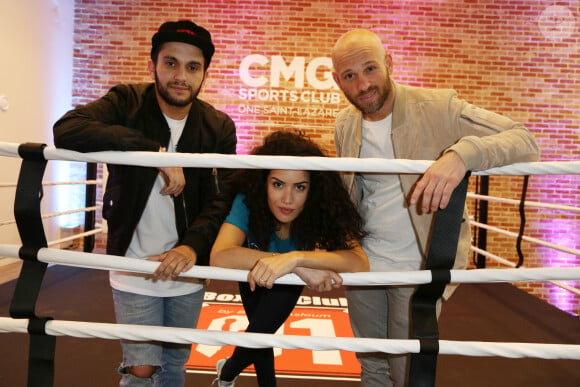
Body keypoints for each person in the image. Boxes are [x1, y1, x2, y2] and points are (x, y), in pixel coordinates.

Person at [331, 29, 540, 387]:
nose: (363, 84)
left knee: (407, 373)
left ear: (389, 64)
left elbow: (525, 140)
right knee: (371, 365)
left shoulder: (439, 107)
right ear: (337, 81)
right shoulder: (345, 124)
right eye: (350, 76)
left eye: (370, 69)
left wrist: (462, 154)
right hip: (365, 264)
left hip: (416, 269)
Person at [53, 20, 237, 386]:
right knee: (141, 369)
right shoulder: (126, 102)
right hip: (133, 266)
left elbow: (223, 200)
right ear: (153, 64)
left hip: (188, 268)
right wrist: (153, 152)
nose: (180, 76)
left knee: (174, 364)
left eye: (192, 67)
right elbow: (67, 128)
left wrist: (190, 247)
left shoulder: (219, 126)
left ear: (204, 74)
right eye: (171, 63)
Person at [210, 130, 369, 387]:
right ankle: (226, 374)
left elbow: (360, 263)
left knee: (261, 331)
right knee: (262, 333)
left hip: (288, 279)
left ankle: (226, 375)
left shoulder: (319, 207)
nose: (287, 199)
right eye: (278, 184)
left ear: (312, 189)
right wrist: (284, 261)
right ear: (264, 182)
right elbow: (220, 255)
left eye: (300, 187)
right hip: (252, 272)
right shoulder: (249, 200)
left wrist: (297, 260)